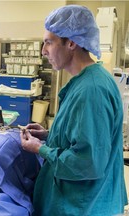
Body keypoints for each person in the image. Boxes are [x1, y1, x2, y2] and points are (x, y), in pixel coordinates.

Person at [20, 5, 128, 216]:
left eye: (49, 42)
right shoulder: (85, 81)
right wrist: (49, 136)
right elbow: (86, 137)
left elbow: (88, 162)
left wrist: (40, 149)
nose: (43, 51)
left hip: (82, 206)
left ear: (71, 42)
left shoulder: (92, 90)